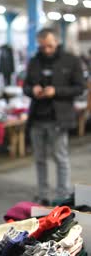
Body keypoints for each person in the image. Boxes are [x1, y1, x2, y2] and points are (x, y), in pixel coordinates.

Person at [23, 28, 85, 205]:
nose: (47, 50)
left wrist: (56, 91)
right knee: (39, 158)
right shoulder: (35, 61)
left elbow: (79, 88)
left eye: (49, 46)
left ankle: (62, 195)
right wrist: (32, 90)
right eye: (43, 47)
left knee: (60, 158)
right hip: (37, 118)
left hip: (59, 119)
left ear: (57, 42)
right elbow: (25, 86)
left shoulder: (71, 61)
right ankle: (43, 194)